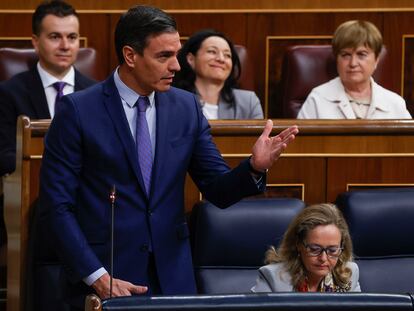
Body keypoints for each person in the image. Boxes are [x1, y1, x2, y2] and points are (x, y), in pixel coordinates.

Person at [38, 5, 298, 308]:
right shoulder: (78, 111)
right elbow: (56, 207)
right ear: (130, 56)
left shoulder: (186, 107)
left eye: (177, 53)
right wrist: (97, 275)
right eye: (164, 56)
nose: (176, 66)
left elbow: (217, 189)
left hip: (173, 279)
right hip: (106, 276)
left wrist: (253, 168)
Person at [0, 0, 96, 177]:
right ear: (36, 42)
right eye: (55, 37)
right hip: (33, 190)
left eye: (72, 37)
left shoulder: (97, 93)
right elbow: (5, 155)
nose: (65, 46)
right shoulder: (9, 93)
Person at [297, 20, 411, 119]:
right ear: (337, 59)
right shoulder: (317, 99)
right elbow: (301, 143)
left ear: (376, 59)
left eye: (361, 54)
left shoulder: (394, 103)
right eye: (345, 55)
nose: (353, 63)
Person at [251, 203, 361, 292]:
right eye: (314, 249)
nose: (323, 258)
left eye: (332, 250)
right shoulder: (273, 278)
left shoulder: (350, 273)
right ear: (298, 244)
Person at [173, 29, 264, 120]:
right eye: (212, 51)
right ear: (191, 59)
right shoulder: (173, 99)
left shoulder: (249, 102)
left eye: (227, 55)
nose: (221, 59)